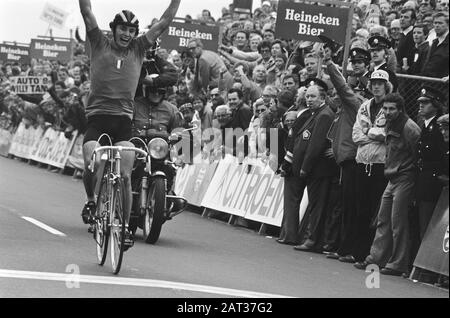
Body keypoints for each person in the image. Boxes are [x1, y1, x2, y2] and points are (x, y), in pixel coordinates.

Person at [78, 0, 180, 249]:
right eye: (122, 29)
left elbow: (164, 23)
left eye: (132, 31)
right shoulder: (99, 43)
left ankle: (123, 226)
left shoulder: (138, 49)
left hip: (123, 121)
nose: (127, 34)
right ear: (113, 30)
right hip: (97, 118)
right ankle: (92, 200)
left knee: (124, 174)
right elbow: (87, 12)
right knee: (94, 159)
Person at [354, 93, 421, 276]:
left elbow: (418, 155)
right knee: (383, 219)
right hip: (392, 178)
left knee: (398, 223)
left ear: (400, 109)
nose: (388, 112)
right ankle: (376, 258)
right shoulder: (390, 123)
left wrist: (411, 178)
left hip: (405, 178)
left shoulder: (409, 128)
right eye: (385, 108)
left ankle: (398, 263)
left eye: (392, 109)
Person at [345, 70, 393, 264]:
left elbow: (386, 134)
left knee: (376, 210)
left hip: (380, 164)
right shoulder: (365, 106)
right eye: (373, 82)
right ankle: (358, 252)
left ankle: (372, 254)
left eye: (380, 83)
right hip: (362, 162)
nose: (376, 86)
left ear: (386, 85)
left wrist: (370, 134)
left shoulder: (390, 107)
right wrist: (372, 135)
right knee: (360, 208)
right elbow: (356, 134)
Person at [292, 82, 339, 252]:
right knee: (315, 204)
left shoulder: (324, 115)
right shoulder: (316, 113)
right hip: (315, 169)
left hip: (319, 169)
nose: (309, 99)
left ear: (323, 98)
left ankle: (313, 240)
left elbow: (315, 144)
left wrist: (305, 167)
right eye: (307, 96)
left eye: (313, 96)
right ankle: (313, 238)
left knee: (317, 205)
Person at [415, 86, 446, 240]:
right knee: (421, 224)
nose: (421, 105)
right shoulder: (427, 125)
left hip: (433, 182)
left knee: (428, 227)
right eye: (420, 101)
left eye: (426, 102)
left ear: (436, 104)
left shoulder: (440, 127)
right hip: (423, 180)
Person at [422, 12, 449, 78]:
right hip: (429, 82)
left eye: (440, 23)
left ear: (448, 25)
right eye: (435, 23)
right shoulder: (435, 42)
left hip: (443, 85)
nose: (437, 25)